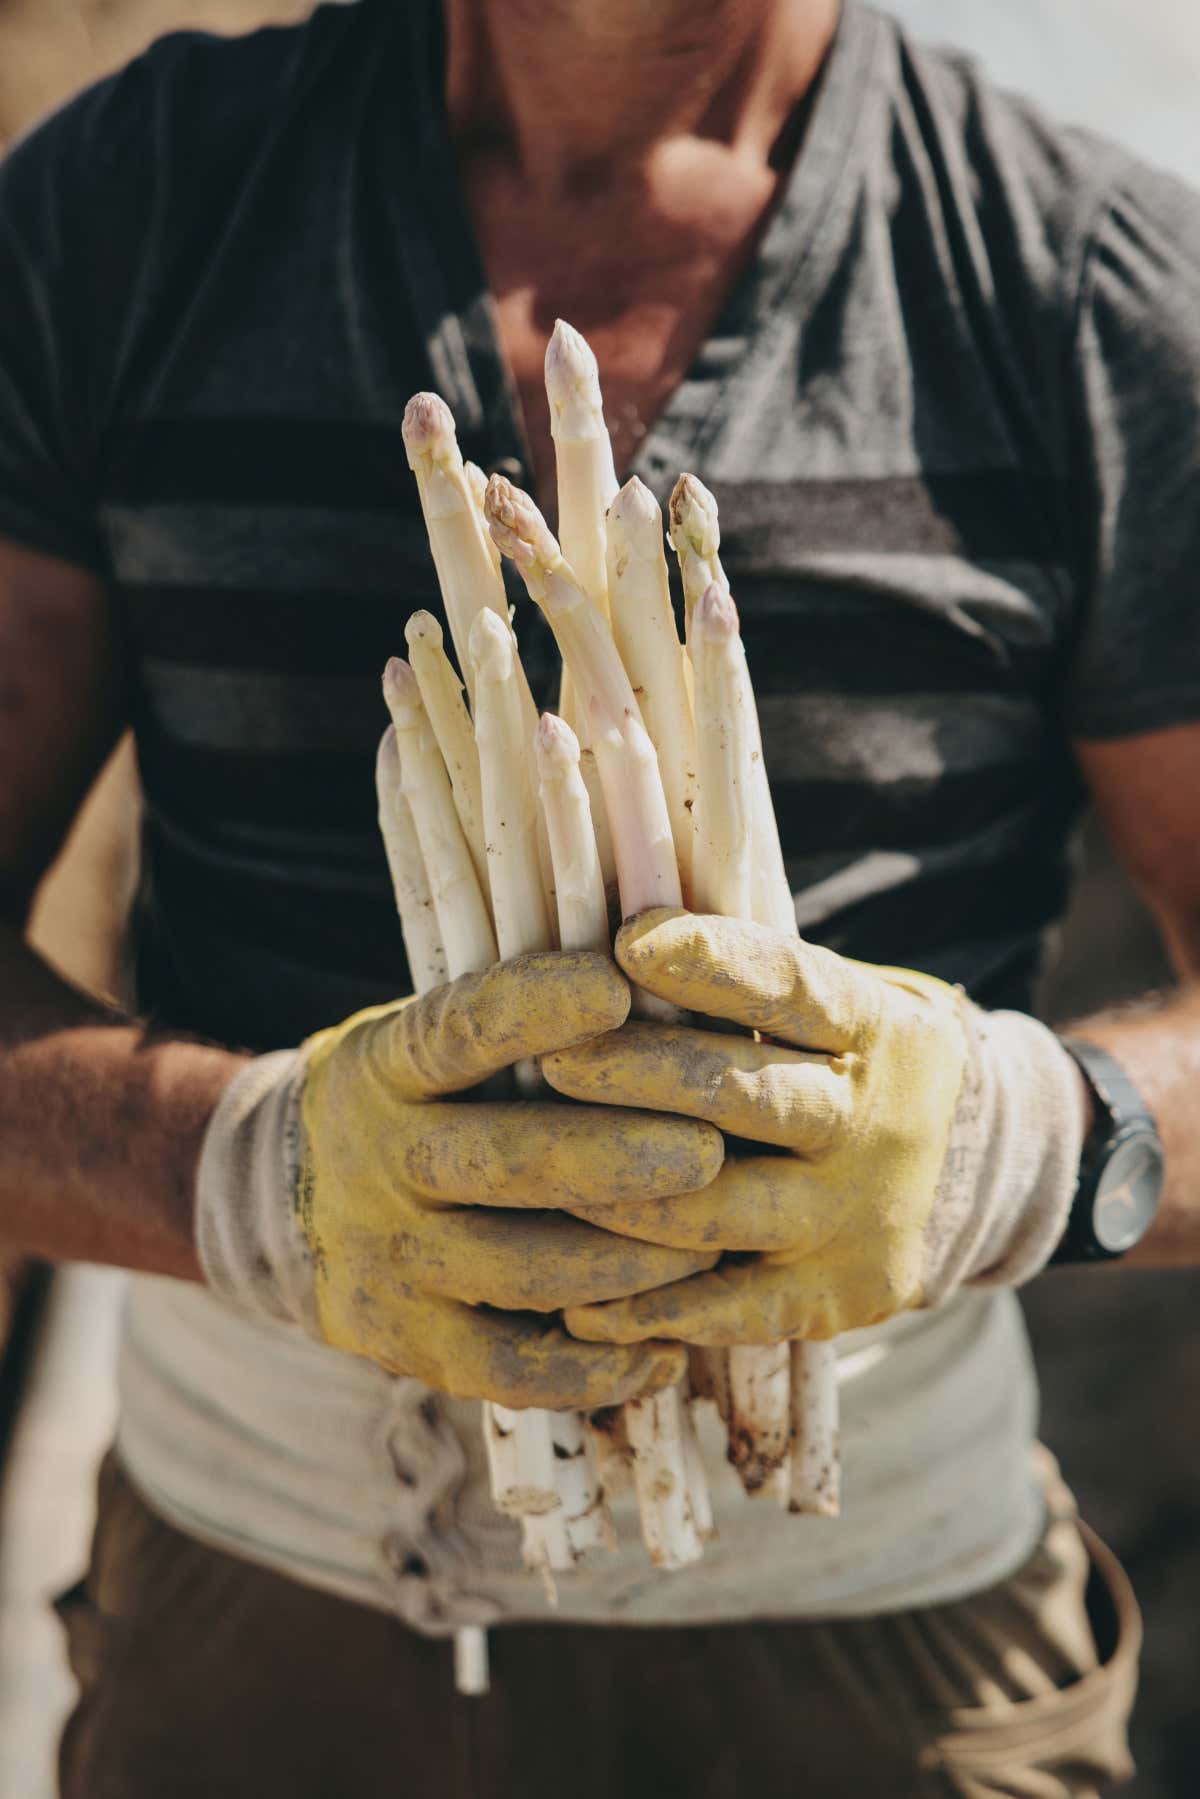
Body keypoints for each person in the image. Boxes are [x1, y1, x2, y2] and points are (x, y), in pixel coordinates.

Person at [1, 0, 1198, 1791]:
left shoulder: (1087, 282)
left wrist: (1012, 1147)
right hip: (253, 1629)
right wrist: (248, 1177)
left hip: (884, 1648)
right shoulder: (130, 203)